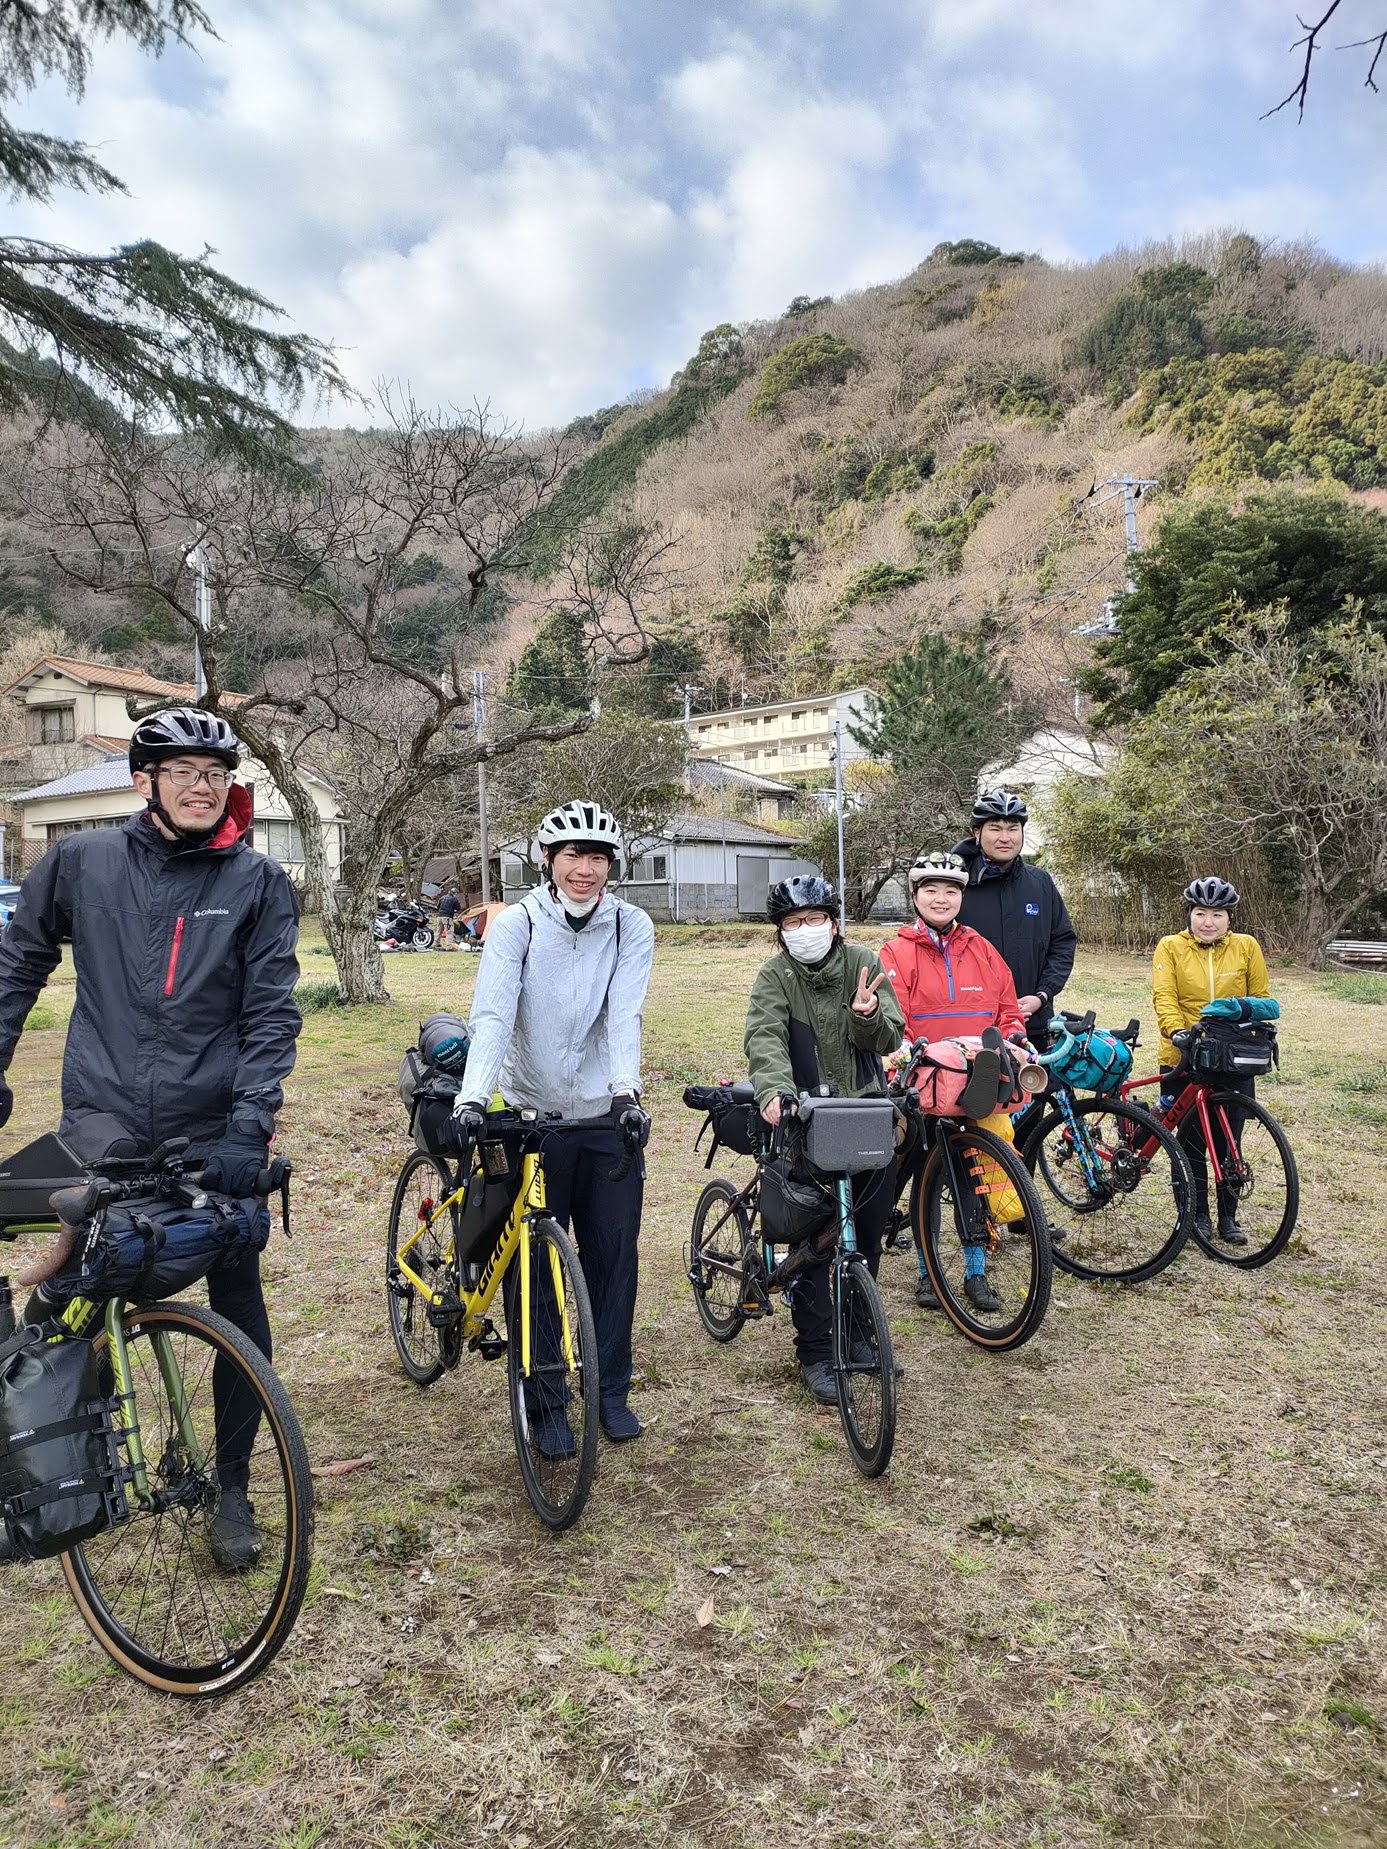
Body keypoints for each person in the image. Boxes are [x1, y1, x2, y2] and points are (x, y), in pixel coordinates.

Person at [0, 708, 301, 1568]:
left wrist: (249, 1123)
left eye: (216, 772)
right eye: (183, 771)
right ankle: (54, 1467)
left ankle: (233, 1484)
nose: (203, 785)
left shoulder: (256, 880)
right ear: (145, 781)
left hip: (213, 1132)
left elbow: (270, 1013)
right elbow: (19, 961)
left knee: (237, 1296)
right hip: (101, 1121)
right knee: (73, 1289)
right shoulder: (83, 861)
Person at [457, 799, 655, 1448]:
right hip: (530, 1117)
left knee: (613, 1261)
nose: (585, 869)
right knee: (535, 1265)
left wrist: (625, 1093)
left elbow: (624, 1014)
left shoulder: (630, 925)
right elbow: (492, 1013)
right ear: (547, 858)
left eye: (598, 857)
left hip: (602, 1115)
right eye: (573, 855)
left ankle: (609, 1390)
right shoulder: (517, 924)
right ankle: (544, 1402)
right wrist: (473, 1098)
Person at [743, 875, 904, 1405]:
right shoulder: (776, 976)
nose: (805, 930)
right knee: (812, 1243)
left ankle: (857, 1333)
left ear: (834, 924)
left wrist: (868, 1014)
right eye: (793, 923)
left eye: (814, 919)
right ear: (780, 931)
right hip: (806, 1119)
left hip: (866, 1115)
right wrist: (775, 1091)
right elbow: (764, 1036)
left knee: (866, 1234)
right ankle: (814, 1350)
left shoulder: (863, 963)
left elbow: (891, 1036)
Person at [878, 851, 1029, 1313]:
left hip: (976, 1079)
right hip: (925, 1083)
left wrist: (1015, 1038)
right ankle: (928, 1273)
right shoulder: (896, 952)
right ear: (915, 895)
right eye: (930, 889)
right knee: (924, 1179)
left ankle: (975, 1272)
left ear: (962, 896)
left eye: (950, 890)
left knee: (974, 1179)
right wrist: (904, 1051)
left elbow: (1007, 1009)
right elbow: (893, 1018)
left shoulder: (981, 948)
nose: (941, 898)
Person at [1153, 877, 1271, 1247]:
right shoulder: (1170, 947)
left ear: (1229, 918)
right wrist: (1177, 1032)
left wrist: (1237, 1013)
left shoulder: (1246, 946)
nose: (1208, 922)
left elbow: (1261, 998)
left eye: (1217, 914)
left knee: (1229, 1140)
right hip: (1183, 1054)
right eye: (1201, 913)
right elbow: (1165, 996)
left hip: (1232, 1057)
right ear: (1189, 914)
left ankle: (1228, 1217)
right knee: (1190, 1143)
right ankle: (1196, 1215)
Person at [956, 791, 1077, 1049]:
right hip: (973, 1028)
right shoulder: (957, 885)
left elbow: (1063, 943)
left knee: (1036, 1077)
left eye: (1013, 829)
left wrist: (1042, 996)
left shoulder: (1040, 883)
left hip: (1034, 1023)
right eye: (995, 828)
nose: (1005, 837)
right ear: (976, 832)